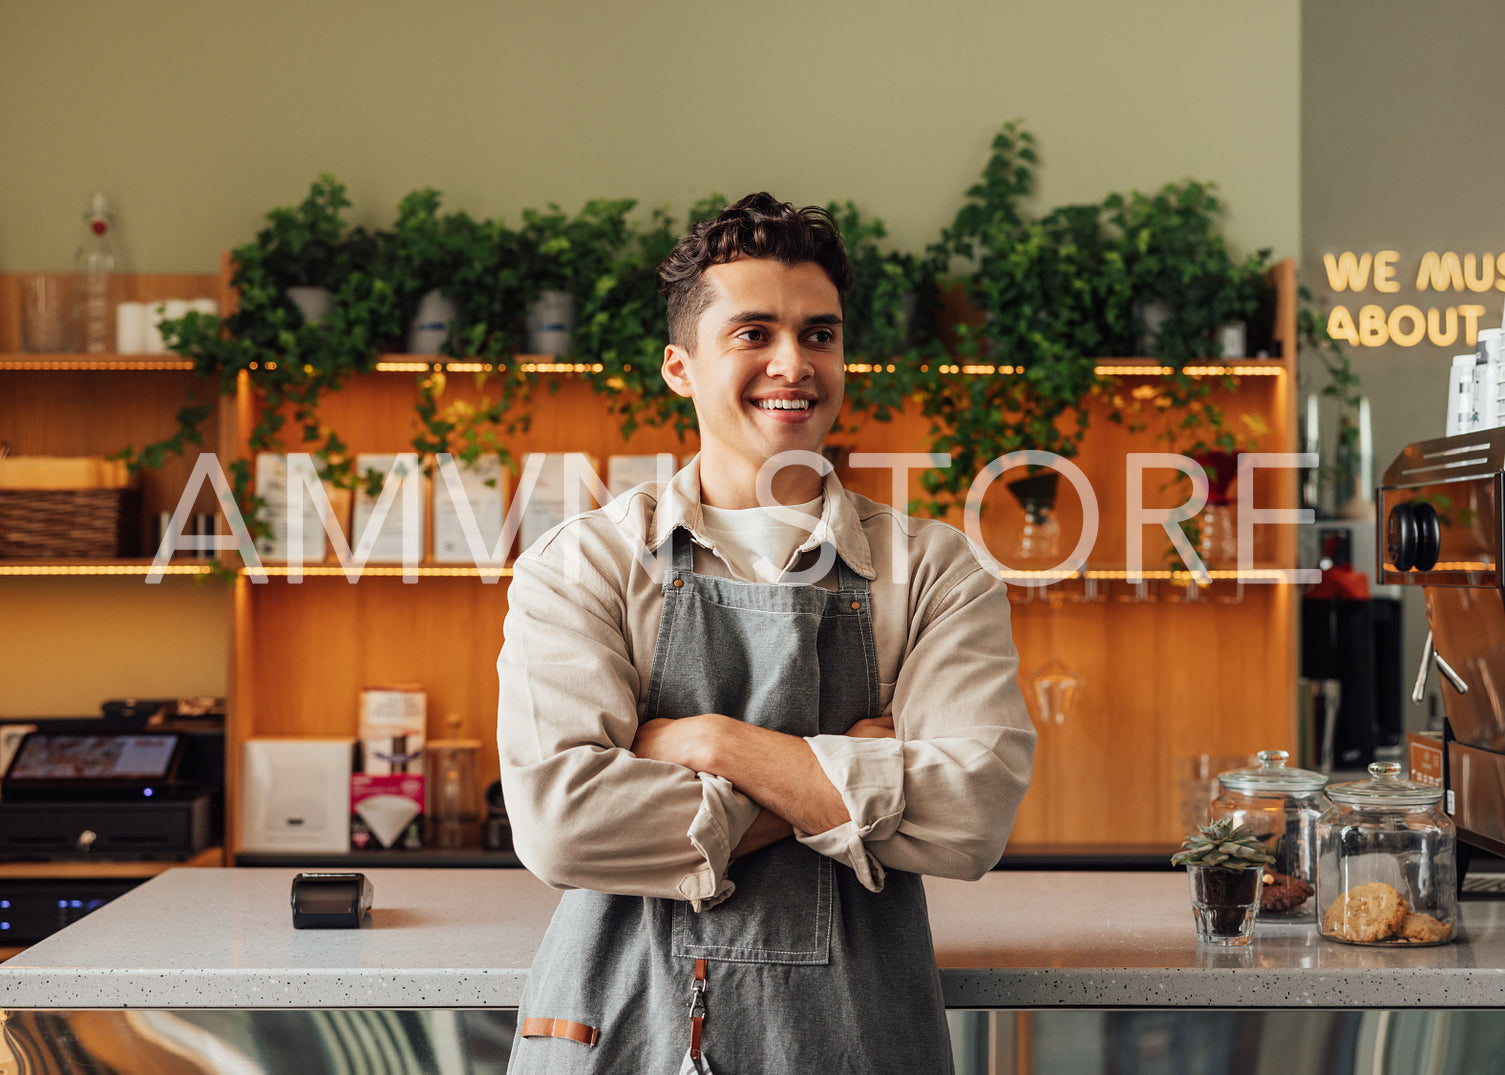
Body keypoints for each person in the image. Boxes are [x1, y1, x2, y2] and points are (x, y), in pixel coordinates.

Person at [496, 192, 1036, 1073]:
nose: (793, 363)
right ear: (680, 366)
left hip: (855, 1034)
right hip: (620, 1028)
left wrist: (712, 742)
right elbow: (563, 825)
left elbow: (969, 816)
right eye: (753, 334)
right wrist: (841, 772)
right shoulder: (582, 564)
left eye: (818, 334)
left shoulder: (935, 569)